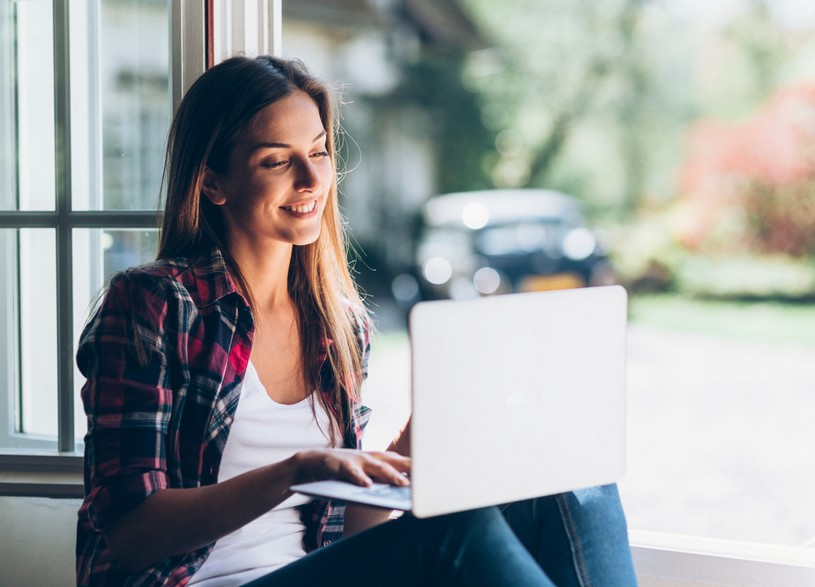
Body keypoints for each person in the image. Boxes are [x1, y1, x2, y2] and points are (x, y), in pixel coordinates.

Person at [75, 54, 638, 586]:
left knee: (572, 481)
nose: (311, 180)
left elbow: (349, 532)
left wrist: (423, 440)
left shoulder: (337, 324)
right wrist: (292, 472)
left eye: (318, 152)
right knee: (454, 536)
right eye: (276, 160)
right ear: (211, 181)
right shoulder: (156, 304)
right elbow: (131, 533)